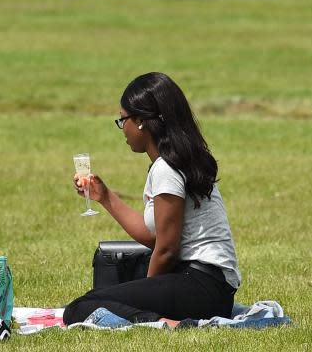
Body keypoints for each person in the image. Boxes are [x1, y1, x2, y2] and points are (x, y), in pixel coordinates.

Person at [63, 72, 241, 327]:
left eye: (122, 119)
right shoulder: (177, 160)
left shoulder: (166, 169)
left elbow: (167, 250)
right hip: (208, 285)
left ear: (141, 122)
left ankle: (165, 324)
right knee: (112, 284)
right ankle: (156, 317)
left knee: (79, 309)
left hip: (202, 286)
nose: (122, 127)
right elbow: (155, 237)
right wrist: (104, 197)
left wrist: (146, 292)